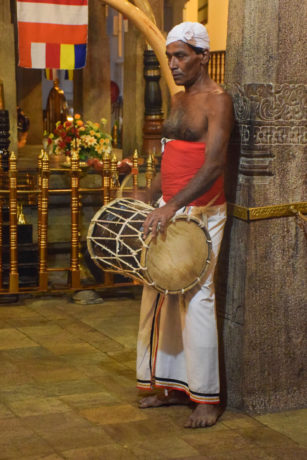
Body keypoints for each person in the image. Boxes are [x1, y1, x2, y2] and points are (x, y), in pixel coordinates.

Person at [136, 22, 234, 428]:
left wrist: (172, 204)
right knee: (158, 294)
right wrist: (150, 195)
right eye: (171, 56)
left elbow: (213, 164)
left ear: (203, 56)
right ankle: (171, 386)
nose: (172, 64)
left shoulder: (218, 101)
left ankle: (207, 399)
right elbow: (171, 154)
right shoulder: (177, 100)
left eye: (181, 56)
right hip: (170, 208)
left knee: (197, 298)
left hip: (202, 212)